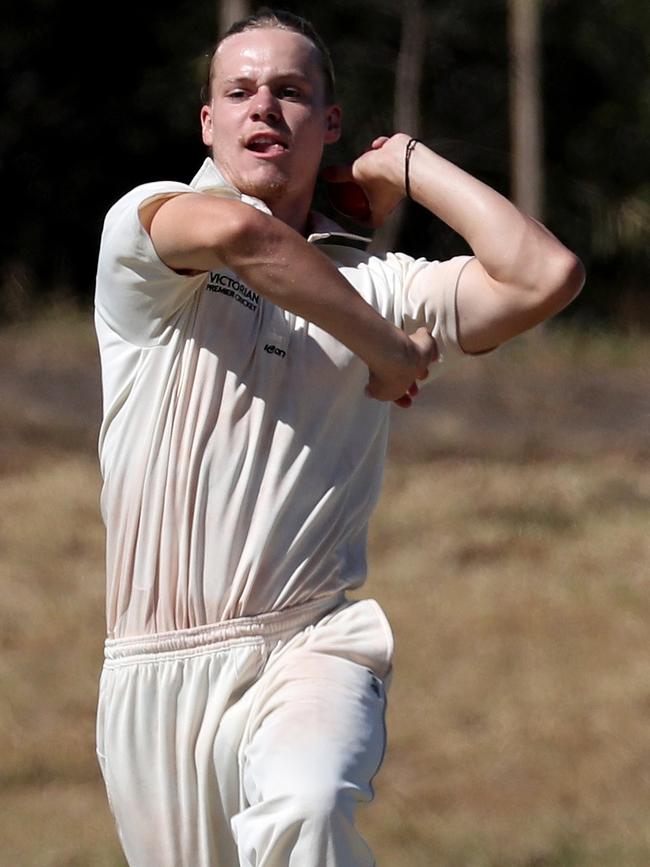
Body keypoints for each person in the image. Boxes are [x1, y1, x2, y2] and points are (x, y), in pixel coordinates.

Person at [93, 8, 584, 867]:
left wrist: (405, 163)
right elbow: (243, 235)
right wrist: (386, 350)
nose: (263, 109)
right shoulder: (149, 230)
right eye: (239, 92)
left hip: (306, 639)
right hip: (151, 666)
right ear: (208, 123)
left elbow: (545, 276)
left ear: (329, 122)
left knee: (312, 802)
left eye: (290, 92)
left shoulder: (383, 283)